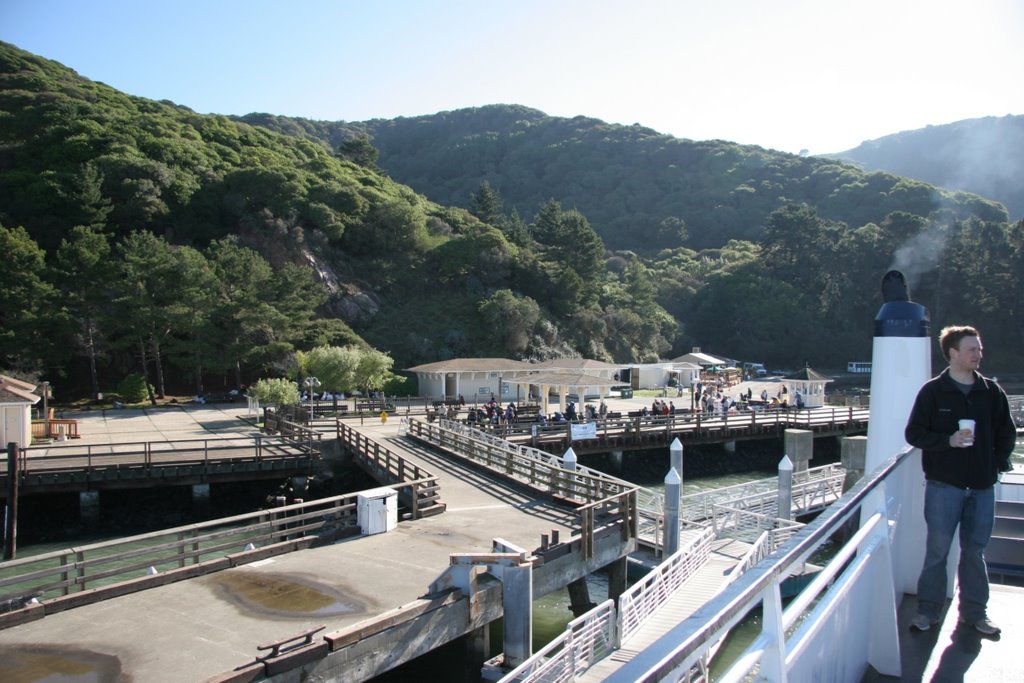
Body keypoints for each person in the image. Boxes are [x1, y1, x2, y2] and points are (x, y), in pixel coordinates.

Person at [904, 325, 1015, 636]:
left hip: (982, 487)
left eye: (979, 349)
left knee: (975, 551)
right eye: (972, 349)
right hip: (943, 485)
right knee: (937, 551)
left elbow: (1007, 432)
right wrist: (947, 441)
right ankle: (927, 612)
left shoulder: (991, 392)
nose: (979, 354)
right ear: (953, 353)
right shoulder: (932, 392)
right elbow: (914, 434)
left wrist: (996, 462)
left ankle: (975, 614)